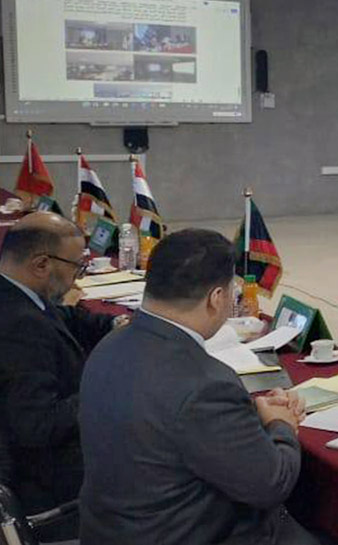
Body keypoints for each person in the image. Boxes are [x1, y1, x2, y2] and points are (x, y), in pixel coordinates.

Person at [79, 229, 317, 545]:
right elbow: (271, 484)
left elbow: (168, 415)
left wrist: (248, 413)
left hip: (112, 529)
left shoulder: (110, 344)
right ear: (216, 298)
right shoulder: (206, 384)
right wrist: (281, 425)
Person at [0, 212, 128, 535]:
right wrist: (104, 387)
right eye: (76, 267)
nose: (77, 278)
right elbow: (37, 426)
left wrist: (114, 323)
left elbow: (62, 318)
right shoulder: (19, 327)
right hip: (51, 487)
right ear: (42, 264)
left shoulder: (18, 297)